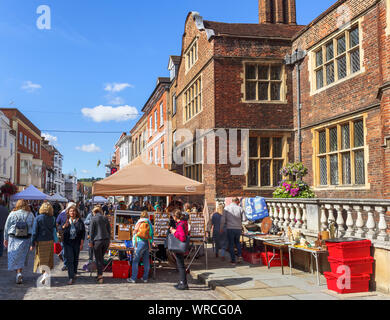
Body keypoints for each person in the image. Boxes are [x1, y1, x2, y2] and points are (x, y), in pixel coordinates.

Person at [3, 200, 35, 284]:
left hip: (13, 238)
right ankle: (19, 272)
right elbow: (33, 226)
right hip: (26, 238)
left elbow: (7, 226)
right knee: (22, 257)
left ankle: (18, 273)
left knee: (13, 255)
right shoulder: (30, 214)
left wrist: (5, 238)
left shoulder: (13, 214)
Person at [31, 202, 56, 285]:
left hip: (41, 241)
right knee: (48, 259)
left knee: (41, 259)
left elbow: (34, 232)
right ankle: (45, 274)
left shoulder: (38, 218)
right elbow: (53, 230)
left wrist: (32, 243)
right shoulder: (52, 218)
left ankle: (44, 274)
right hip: (50, 241)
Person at [61, 205, 85, 285]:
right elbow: (60, 229)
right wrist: (64, 226)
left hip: (76, 243)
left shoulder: (79, 221)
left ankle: (74, 273)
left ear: (76, 212)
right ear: (68, 212)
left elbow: (83, 233)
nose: (72, 212)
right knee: (70, 260)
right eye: (71, 211)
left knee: (75, 259)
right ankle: (71, 277)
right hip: (67, 243)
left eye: (74, 211)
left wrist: (81, 244)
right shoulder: (66, 220)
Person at [127, 211, 154, 284]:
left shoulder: (139, 222)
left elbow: (135, 232)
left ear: (141, 216)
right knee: (146, 261)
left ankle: (133, 278)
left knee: (135, 261)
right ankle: (145, 278)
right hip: (147, 243)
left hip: (140, 242)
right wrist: (151, 243)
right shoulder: (149, 223)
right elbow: (152, 234)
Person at [220, 198, 247, 265]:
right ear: (237, 201)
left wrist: (221, 227)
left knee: (231, 244)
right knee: (237, 242)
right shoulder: (240, 208)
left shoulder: (227, 208)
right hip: (238, 228)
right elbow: (244, 219)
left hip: (230, 228)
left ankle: (233, 260)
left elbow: (223, 219)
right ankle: (239, 256)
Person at [89, 206, 111, 284]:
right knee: (100, 257)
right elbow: (109, 230)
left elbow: (91, 232)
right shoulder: (105, 218)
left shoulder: (94, 218)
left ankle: (100, 275)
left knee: (98, 258)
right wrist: (109, 240)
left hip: (98, 241)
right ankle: (99, 272)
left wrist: (90, 241)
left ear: (94, 212)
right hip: (106, 240)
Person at [170, 209, 189, 290]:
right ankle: (182, 282)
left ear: (175, 216)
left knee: (181, 266)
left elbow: (182, 237)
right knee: (181, 265)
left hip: (179, 247)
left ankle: (183, 283)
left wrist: (174, 231)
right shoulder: (182, 223)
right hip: (180, 247)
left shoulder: (180, 224)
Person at [56, 202, 76, 271]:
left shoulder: (73, 214)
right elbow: (57, 223)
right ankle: (66, 264)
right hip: (65, 235)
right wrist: (62, 227)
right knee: (65, 249)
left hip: (70, 235)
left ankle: (67, 263)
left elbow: (57, 224)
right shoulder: (62, 214)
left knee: (68, 249)